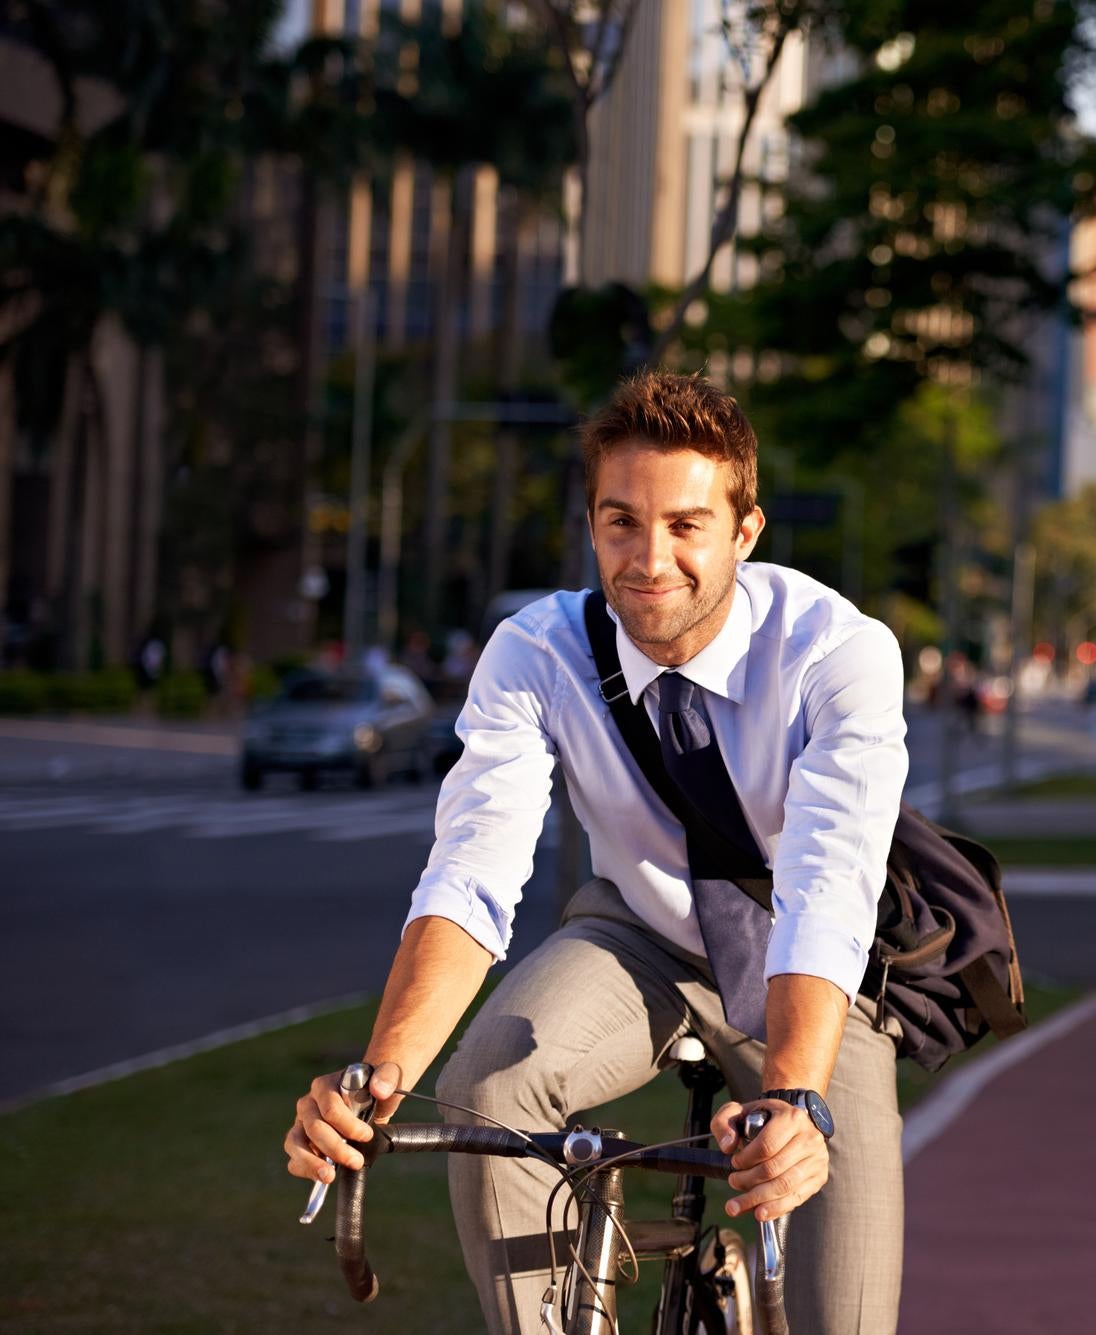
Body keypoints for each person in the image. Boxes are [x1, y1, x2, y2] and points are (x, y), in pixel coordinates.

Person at [282, 371, 908, 1333]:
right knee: (489, 1081)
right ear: (590, 524)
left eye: (686, 525)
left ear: (745, 532)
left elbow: (829, 884)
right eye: (622, 522)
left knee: (843, 1310)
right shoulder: (536, 652)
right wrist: (374, 1080)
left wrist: (797, 1102)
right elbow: (473, 871)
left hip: (807, 964)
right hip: (640, 934)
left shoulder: (837, 653)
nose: (650, 560)